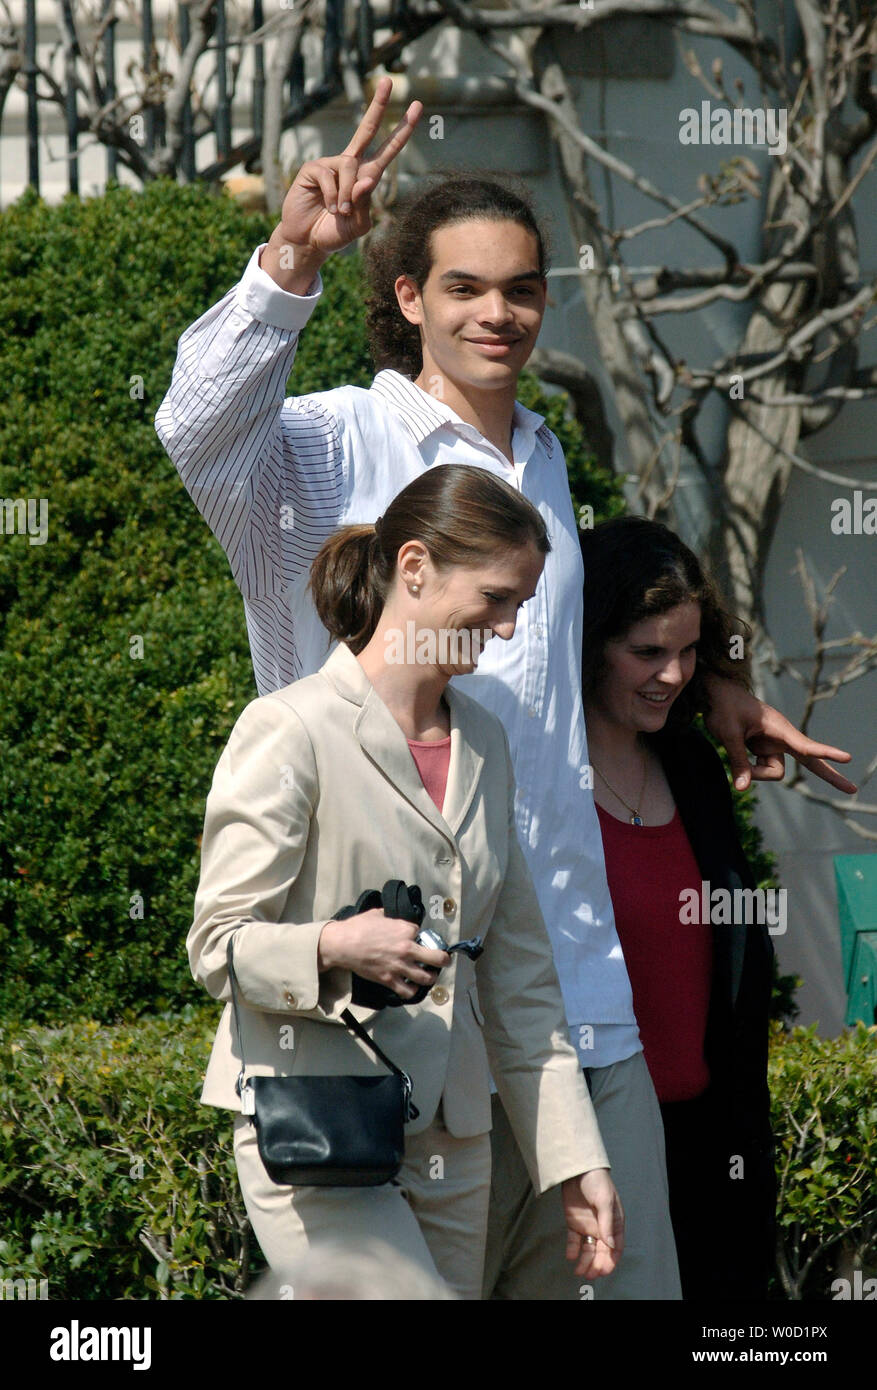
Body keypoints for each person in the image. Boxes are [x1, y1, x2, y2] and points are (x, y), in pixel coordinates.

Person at [156, 77, 855, 1299]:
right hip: (390, 1004)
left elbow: (634, 588)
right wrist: (286, 264)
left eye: (522, 288)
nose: (499, 312)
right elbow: (198, 428)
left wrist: (719, 678)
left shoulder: (540, 453)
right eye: (465, 287)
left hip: (561, 980)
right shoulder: (327, 443)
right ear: (407, 297)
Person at [188, 465, 624, 1300]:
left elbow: (522, 980)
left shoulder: (488, 744)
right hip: (319, 1133)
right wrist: (333, 945)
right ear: (415, 567)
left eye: (520, 608)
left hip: (454, 1147)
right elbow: (218, 946)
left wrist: (576, 1162)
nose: (505, 630)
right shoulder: (289, 730)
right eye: (495, 599)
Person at [580, 517, 775, 1299]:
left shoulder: (694, 765)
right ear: (590, 640)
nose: (671, 675)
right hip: (589, 1147)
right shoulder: (532, 778)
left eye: (689, 652)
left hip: (712, 1139)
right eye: (647, 652)